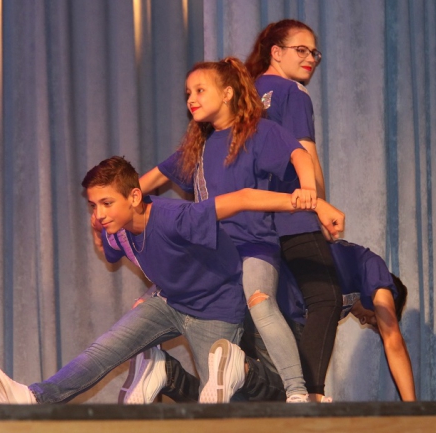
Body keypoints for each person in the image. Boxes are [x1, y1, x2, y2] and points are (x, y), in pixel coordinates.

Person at [0, 156, 345, 405]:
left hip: (216, 308)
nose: (99, 214)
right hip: (169, 303)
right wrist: (97, 231)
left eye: (106, 203)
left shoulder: (175, 217)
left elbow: (244, 198)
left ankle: (236, 368)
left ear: (134, 196)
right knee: (104, 349)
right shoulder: (117, 231)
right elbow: (110, 251)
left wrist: (315, 204)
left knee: (226, 405)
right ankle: (34, 396)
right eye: (93, 206)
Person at [136, 57, 320, 402]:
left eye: (200, 90)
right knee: (146, 305)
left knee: (261, 304)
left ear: (227, 93)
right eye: (188, 93)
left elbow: (299, 155)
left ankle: (297, 392)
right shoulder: (198, 147)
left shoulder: (259, 132)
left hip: (252, 246)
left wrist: (308, 189)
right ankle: (157, 369)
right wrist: (122, 203)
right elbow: (147, 182)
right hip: (210, 251)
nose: (191, 99)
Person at [122, 240, 416, 403]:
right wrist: (414, 410)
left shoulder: (345, 298)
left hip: (251, 309)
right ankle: (244, 369)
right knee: (286, 397)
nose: (367, 322)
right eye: (373, 320)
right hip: (278, 312)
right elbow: (393, 339)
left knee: (233, 407)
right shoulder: (372, 267)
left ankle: (167, 374)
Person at [243, 19, 343, 402]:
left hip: (253, 220)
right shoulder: (292, 92)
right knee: (325, 297)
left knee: (266, 312)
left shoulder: (248, 93)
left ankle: (272, 392)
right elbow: (306, 156)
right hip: (292, 210)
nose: (310, 58)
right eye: (301, 50)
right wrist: (319, 205)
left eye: (314, 52)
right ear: (276, 52)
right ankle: (308, 394)